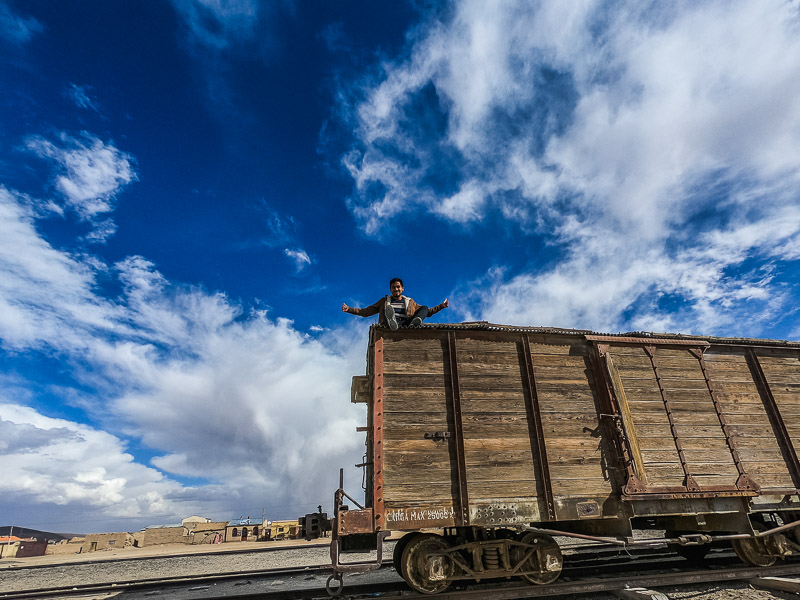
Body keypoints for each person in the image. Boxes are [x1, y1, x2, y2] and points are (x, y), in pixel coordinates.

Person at [342, 278, 449, 330]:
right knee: (388, 319)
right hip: (390, 323)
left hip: (406, 323)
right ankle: (391, 322)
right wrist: (349, 309)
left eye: (398, 287)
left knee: (424, 307)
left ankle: (415, 323)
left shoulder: (410, 301)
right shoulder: (384, 301)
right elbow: (366, 312)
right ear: (390, 289)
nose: (396, 289)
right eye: (393, 287)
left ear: (402, 289)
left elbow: (428, 312)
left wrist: (441, 306)